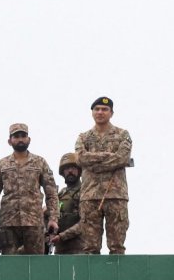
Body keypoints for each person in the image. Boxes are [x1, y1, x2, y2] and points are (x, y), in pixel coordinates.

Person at [0, 123, 59, 255]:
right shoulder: (2, 164)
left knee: (36, 264)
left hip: (34, 222)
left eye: (23, 136)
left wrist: (53, 218)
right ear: (10, 141)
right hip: (9, 223)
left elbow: (51, 192)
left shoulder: (40, 162)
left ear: (29, 139)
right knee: (9, 265)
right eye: (16, 136)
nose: (20, 139)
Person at [75, 97, 132, 254]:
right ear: (92, 113)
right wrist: (108, 157)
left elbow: (122, 158)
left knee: (117, 246)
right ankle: (91, 279)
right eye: (97, 109)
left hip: (115, 195)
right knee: (90, 248)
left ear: (111, 113)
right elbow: (80, 158)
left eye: (104, 109)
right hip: (89, 196)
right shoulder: (83, 137)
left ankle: (118, 277)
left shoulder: (122, 134)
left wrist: (93, 162)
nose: (100, 112)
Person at [50, 152, 85, 255]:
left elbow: (85, 223)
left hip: (80, 248)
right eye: (66, 168)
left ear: (79, 171)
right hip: (60, 249)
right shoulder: (60, 194)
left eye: (73, 168)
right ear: (62, 172)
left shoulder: (85, 191)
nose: (70, 171)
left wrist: (62, 236)